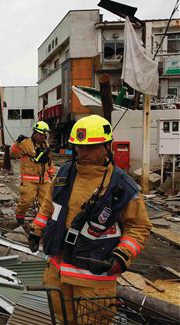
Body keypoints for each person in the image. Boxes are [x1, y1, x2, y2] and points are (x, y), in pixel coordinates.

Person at [28, 115, 151, 324]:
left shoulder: (122, 187)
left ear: (107, 147)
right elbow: (50, 205)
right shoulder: (66, 172)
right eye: (78, 147)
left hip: (93, 277)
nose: (82, 153)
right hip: (58, 268)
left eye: (89, 148)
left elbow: (139, 226)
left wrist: (122, 255)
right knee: (63, 317)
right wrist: (36, 230)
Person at [10, 121, 55, 226]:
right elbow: (13, 154)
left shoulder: (45, 145)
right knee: (26, 201)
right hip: (29, 180)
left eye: (45, 134)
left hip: (44, 180)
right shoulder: (25, 143)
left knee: (45, 203)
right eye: (41, 134)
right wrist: (17, 143)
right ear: (35, 133)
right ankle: (20, 217)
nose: (43, 137)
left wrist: (52, 175)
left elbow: (49, 162)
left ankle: (42, 223)